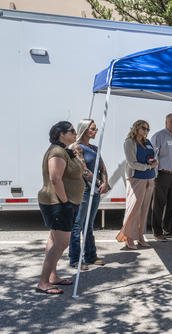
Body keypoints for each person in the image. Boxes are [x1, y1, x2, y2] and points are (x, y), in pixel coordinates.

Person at [37, 121, 84, 295]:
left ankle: (52, 277)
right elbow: (55, 178)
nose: (75, 133)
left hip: (63, 202)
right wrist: (65, 202)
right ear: (60, 134)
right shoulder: (57, 152)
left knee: (54, 241)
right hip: (58, 203)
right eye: (71, 131)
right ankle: (42, 282)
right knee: (61, 243)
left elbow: (78, 172)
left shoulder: (65, 151)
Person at [68, 119, 110, 270]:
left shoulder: (94, 147)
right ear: (84, 129)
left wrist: (105, 182)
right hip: (84, 190)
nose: (95, 131)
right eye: (93, 128)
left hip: (95, 190)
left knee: (89, 224)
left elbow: (103, 167)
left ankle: (90, 255)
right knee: (78, 224)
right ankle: (74, 259)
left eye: (96, 128)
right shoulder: (76, 148)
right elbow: (84, 170)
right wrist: (100, 183)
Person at [116, 120, 158, 249]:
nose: (146, 131)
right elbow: (132, 162)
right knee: (133, 209)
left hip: (149, 179)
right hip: (136, 178)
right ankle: (128, 237)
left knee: (144, 210)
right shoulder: (129, 142)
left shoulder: (147, 142)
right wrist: (147, 166)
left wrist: (154, 163)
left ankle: (140, 236)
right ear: (136, 128)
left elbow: (152, 157)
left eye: (148, 129)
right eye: (144, 128)